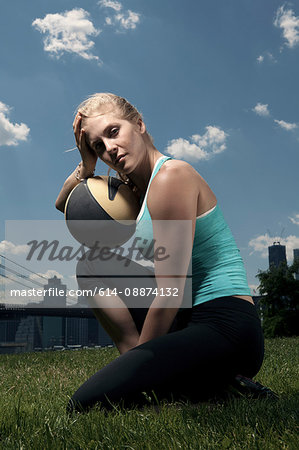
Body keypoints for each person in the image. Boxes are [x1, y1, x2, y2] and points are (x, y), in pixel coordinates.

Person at [56, 93, 267, 413]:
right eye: (99, 145)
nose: (109, 149)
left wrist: (141, 374)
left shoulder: (171, 177)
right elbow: (66, 206)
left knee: (83, 406)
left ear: (139, 125)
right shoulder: (133, 190)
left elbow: (170, 294)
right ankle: (202, 385)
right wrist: (87, 165)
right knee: (92, 262)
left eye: (113, 132)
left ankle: (177, 390)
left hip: (226, 327)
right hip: (189, 317)